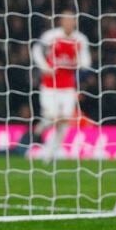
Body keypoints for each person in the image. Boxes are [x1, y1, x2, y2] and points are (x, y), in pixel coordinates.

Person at [27, 10, 91, 162]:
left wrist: (80, 63)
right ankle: (40, 129)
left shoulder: (80, 39)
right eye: (66, 20)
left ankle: (48, 155)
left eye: (71, 20)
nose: (69, 23)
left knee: (65, 122)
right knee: (51, 116)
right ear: (61, 22)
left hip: (68, 87)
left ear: (75, 22)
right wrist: (44, 67)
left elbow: (86, 62)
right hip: (49, 86)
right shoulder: (51, 36)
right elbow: (36, 50)